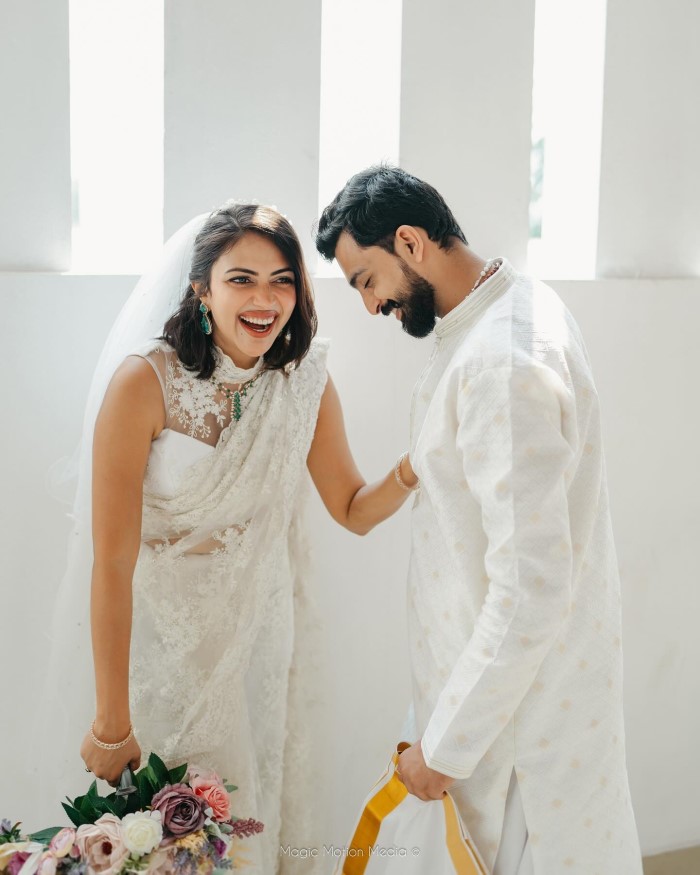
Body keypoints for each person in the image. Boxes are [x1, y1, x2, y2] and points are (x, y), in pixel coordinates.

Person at [39, 202, 419, 874]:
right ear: (201, 287)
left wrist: (419, 465)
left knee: (236, 839)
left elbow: (354, 508)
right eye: (241, 279)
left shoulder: (302, 383)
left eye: (282, 280)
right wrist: (111, 719)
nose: (264, 299)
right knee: (140, 847)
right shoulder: (144, 382)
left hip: (247, 661)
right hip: (149, 659)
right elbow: (112, 561)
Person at [315, 166, 644, 874]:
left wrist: (447, 746)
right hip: (482, 695)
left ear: (409, 241)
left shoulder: (500, 360)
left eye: (366, 281)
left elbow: (531, 587)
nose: (371, 306)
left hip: (513, 729)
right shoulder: (506, 310)